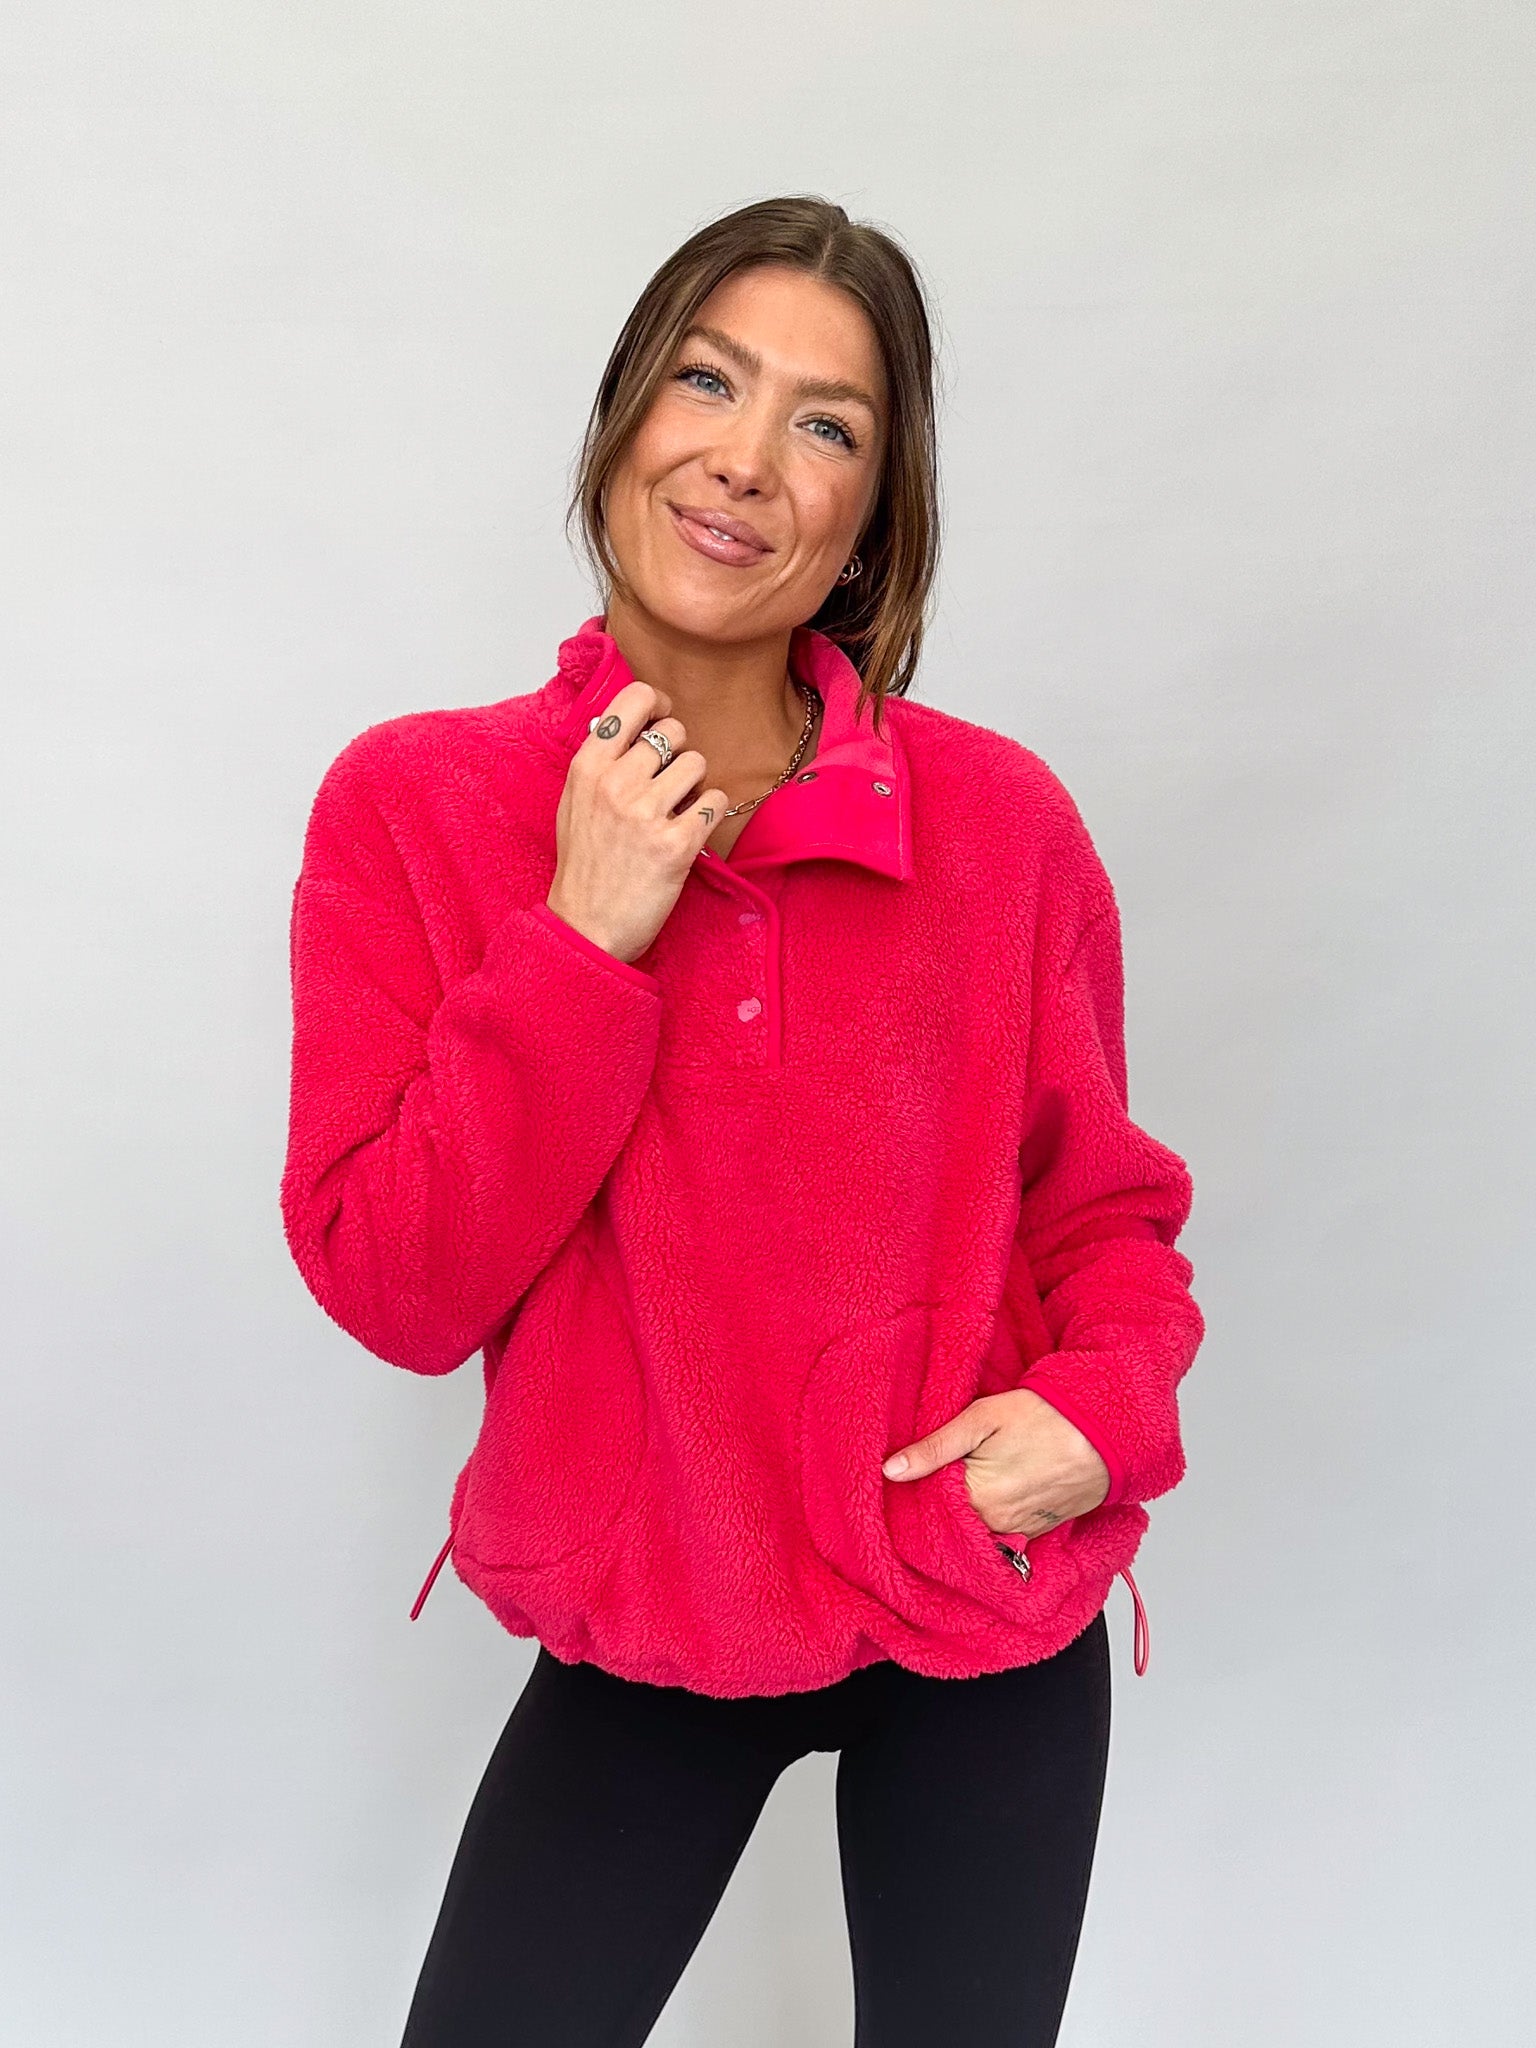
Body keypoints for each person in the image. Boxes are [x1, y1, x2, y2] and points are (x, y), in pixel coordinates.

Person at [280, 194, 1205, 2048]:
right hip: (648, 1614)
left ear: (873, 519)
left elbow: (1101, 1211)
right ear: (625, 415)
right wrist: (581, 937)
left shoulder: (1002, 826)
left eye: (826, 423)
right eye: (708, 381)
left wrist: (1100, 1417)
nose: (747, 459)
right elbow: (395, 1286)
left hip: (977, 1592)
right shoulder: (417, 804)